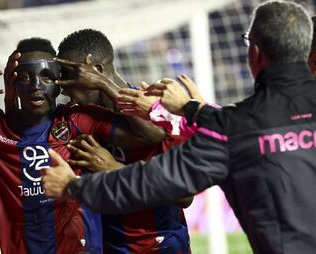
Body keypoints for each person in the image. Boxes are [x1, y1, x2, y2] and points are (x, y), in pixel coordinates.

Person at [42, 1, 316, 253]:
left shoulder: (228, 128)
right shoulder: (223, 123)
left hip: (163, 243)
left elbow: (169, 186)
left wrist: (76, 185)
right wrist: (192, 109)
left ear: (254, 53)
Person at [0, 37, 155, 254]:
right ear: (14, 84)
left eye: (46, 76)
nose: (36, 85)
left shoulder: (78, 120)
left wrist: (104, 84)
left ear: (59, 83)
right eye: (25, 78)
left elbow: (148, 136)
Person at [55, 29, 193, 253]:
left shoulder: (160, 109)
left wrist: (115, 169)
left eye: (73, 77)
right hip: (110, 245)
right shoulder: (81, 117)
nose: (66, 89)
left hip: (160, 244)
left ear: (97, 71)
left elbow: (184, 195)